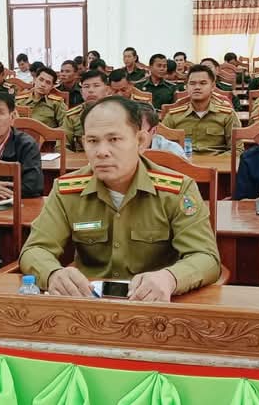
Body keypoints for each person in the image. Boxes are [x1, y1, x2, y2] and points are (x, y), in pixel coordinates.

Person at [19, 97, 220, 301]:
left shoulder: (176, 190)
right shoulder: (67, 191)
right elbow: (35, 249)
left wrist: (170, 278)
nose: (102, 152)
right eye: (92, 141)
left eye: (114, 139)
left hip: (154, 304)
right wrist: (53, 274)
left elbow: (205, 256)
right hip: (88, 303)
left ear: (141, 141)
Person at [161, 64, 242, 154]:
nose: (197, 87)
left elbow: (237, 150)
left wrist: (218, 160)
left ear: (212, 86)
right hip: (183, 161)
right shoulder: (173, 116)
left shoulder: (227, 115)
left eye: (203, 83)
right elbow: (160, 146)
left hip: (216, 161)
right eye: (192, 83)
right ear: (186, 87)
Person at [62, 70, 113, 151]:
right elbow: (62, 147)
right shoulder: (71, 116)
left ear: (107, 90)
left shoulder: (118, 113)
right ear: (81, 92)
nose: (90, 90)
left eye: (96, 86)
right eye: (86, 86)